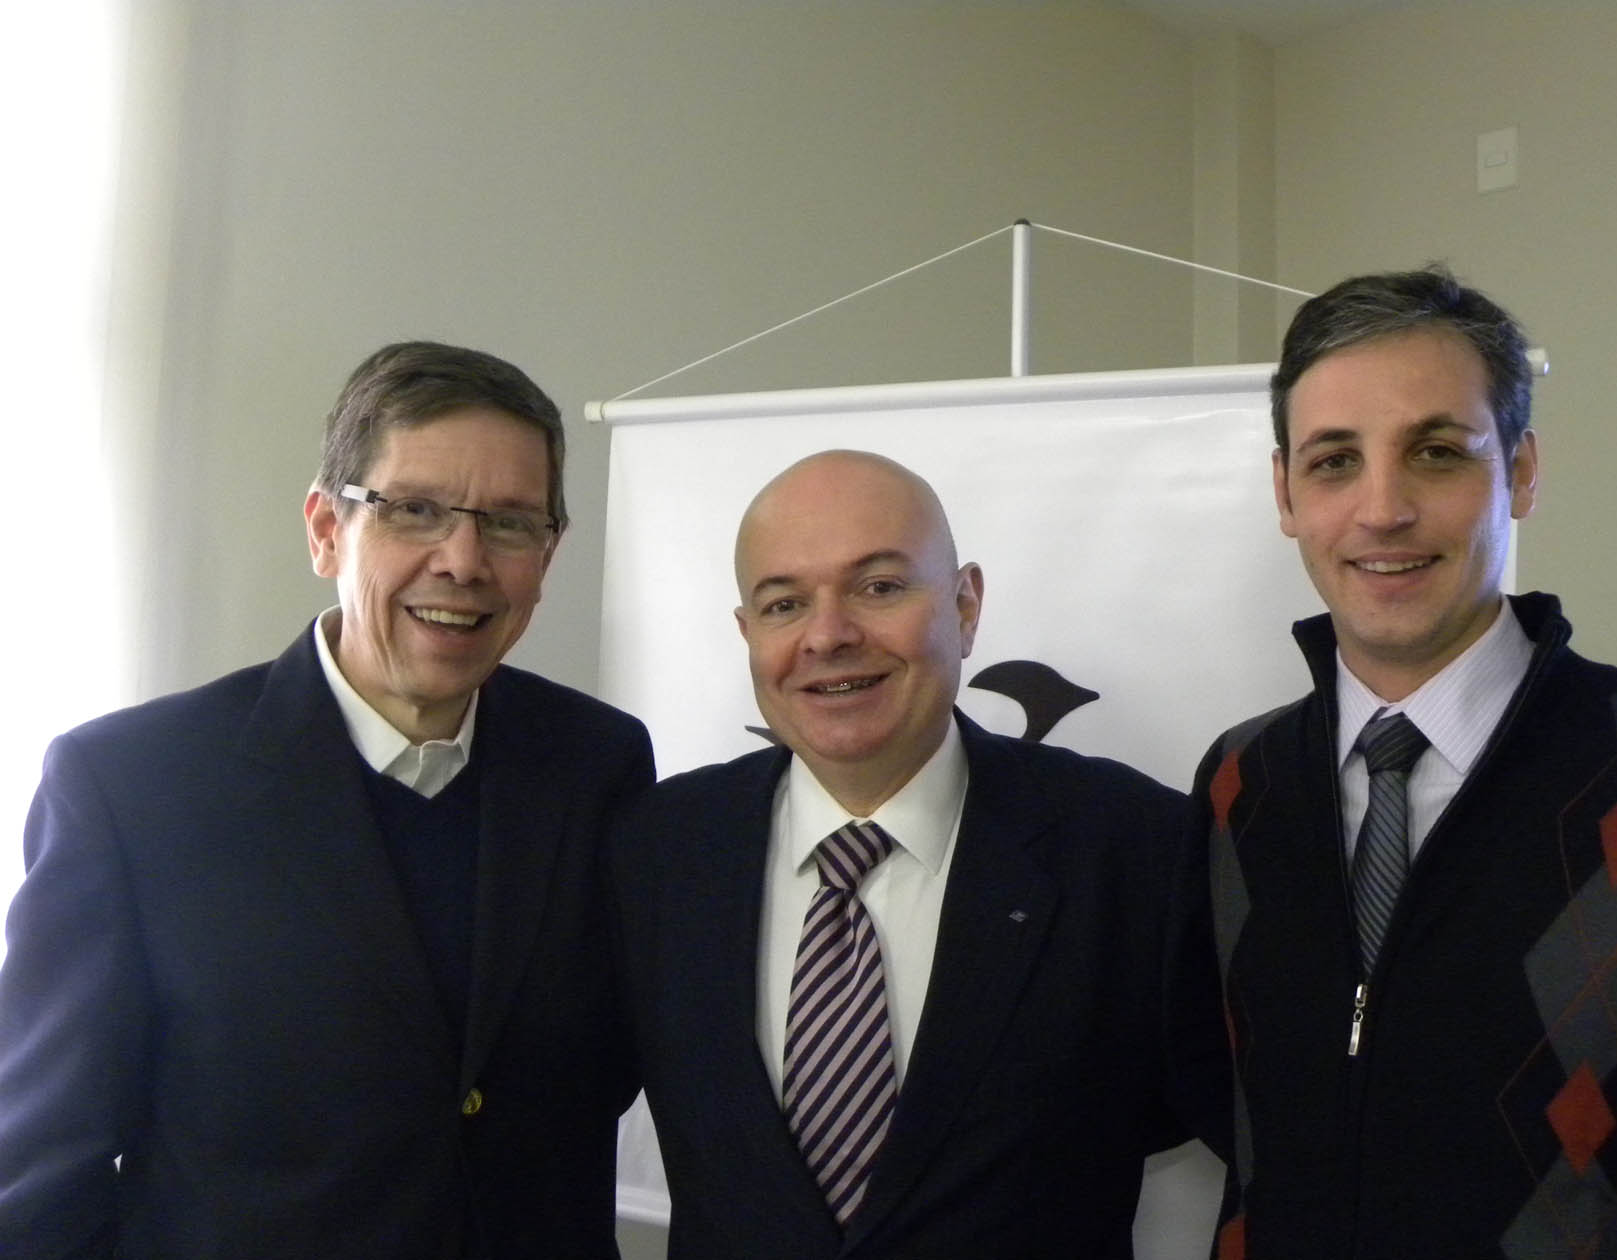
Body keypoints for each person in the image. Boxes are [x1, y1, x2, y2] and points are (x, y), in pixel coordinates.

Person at [1196, 267, 1617, 1258]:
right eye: (1335, 461)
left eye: (1437, 452)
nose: (1382, 508)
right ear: (1286, 495)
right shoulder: (1240, 786)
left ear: (1521, 472)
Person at [0, 342, 655, 1258]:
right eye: (415, 510)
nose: (463, 561)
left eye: (510, 523)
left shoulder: (598, 765)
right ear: (325, 530)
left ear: (548, 554)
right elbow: (41, 1172)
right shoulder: (133, 788)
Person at [614, 449, 1227, 1259]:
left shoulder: (1137, 848)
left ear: (966, 606)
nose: (828, 636)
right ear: (747, 633)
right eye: (784, 603)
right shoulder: (657, 851)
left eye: (878, 587)